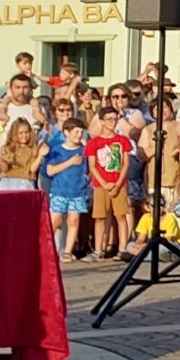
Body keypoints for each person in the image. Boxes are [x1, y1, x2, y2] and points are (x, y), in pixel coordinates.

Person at [85, 110, 135, 260]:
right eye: (109, 119)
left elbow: (126, 163)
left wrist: (118, 183)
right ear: (102, 121)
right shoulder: (94, 143)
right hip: (101, 184)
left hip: (119, 183)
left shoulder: (122, 140)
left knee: (121, 215)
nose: (112, 122)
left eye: (114, 119)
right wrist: (104, 183)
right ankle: (98, 250)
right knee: (100, 217)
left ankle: (122, 249)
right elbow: (92, 166)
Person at [44, 117, 89, 256]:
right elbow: (50, 171)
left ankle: (68, 251)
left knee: (73, 220)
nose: (78, 135)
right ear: (66, 132)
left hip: (78, 191)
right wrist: (70, 162)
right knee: (55, 221)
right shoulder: (57, 150)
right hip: (60, 190)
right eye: (75, 132)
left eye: (81, 132)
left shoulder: (83, 151)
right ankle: (46, 249)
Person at [0, 117, 43, 192]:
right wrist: (2, 161)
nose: (24, 136)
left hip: (25, 183)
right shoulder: (7, 148)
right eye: (21, 133)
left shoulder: (33, 149)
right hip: (7, 183)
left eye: (26, 132)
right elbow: (4, 169)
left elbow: (32, 169)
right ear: (14, 134)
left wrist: (40, 156)